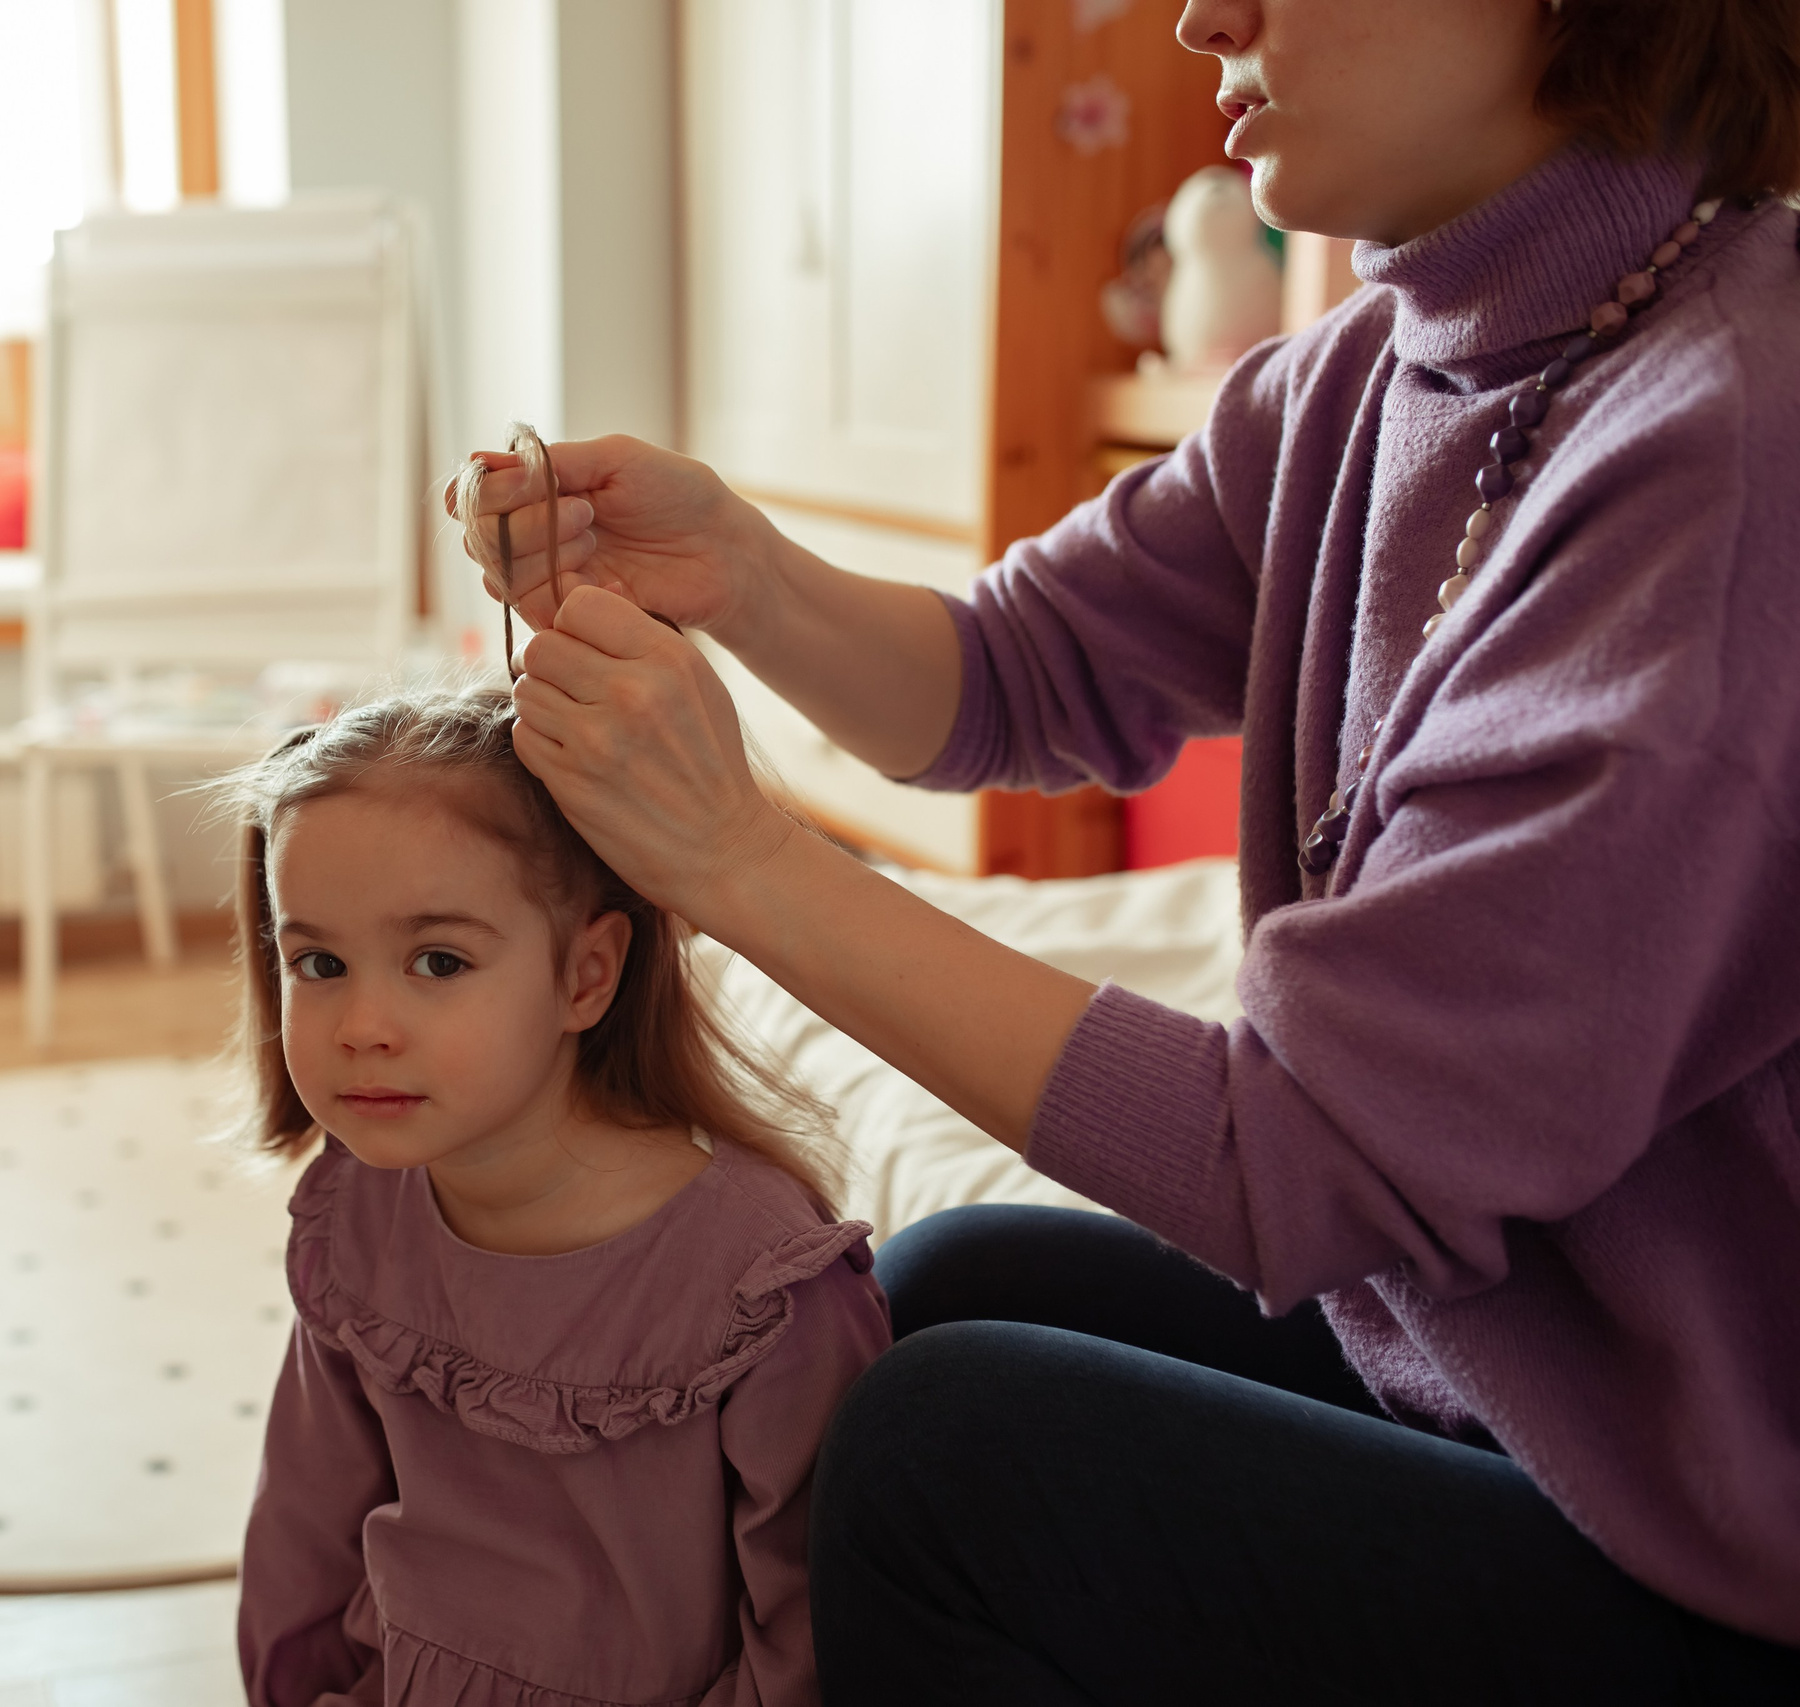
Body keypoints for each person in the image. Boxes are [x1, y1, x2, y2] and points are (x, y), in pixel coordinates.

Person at [454, 0, 1800, 1697]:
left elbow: (1298, 1158)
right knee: (937, 1281)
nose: (1197, 16)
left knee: (951, 1455)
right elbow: (1024, 673)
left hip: (1719, 1543)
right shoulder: (1376, 370)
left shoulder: (1731, 451)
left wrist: (740, 859)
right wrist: (740, 568)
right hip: (1532, 1383)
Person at [225, 688, 893, 1707]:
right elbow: (303, 1534)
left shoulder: (762, 1282)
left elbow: (813, 1633)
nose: (360, 1023)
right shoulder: (355, 1210)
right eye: (318, 963)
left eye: (437, 962)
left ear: (587, 976)